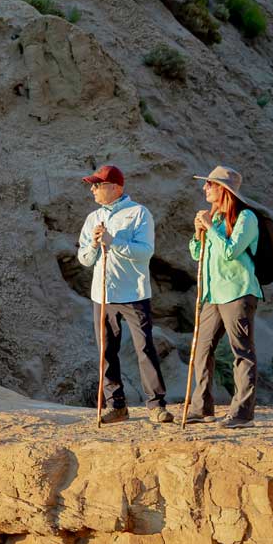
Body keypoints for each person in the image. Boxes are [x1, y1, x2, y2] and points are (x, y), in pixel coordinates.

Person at [76, 164, 169, 425]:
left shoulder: (139, 213)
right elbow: (84, 259)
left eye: (98, 184)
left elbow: (145, 252)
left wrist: (113, 242)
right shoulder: (92, 218)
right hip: (102, 295)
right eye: (92, 185)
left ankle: (156, 405)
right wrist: (94, 244)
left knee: (145, 349)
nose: (93, 189)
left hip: (134, 293)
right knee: (106, 352)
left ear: (116, 187)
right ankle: (116, 406)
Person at [184, 164, 261, 427]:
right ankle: (202, 407)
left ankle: (242, 413)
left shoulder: (246, 218)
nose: (204, 187)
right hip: (212, 294)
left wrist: (210, 227)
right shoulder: (215, 218)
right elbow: (197, 254)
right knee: (201, 349)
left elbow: (231, 251)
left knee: (242, 352)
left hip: (238, 292)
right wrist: (199, 232)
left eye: (210, 184)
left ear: (223, 189)